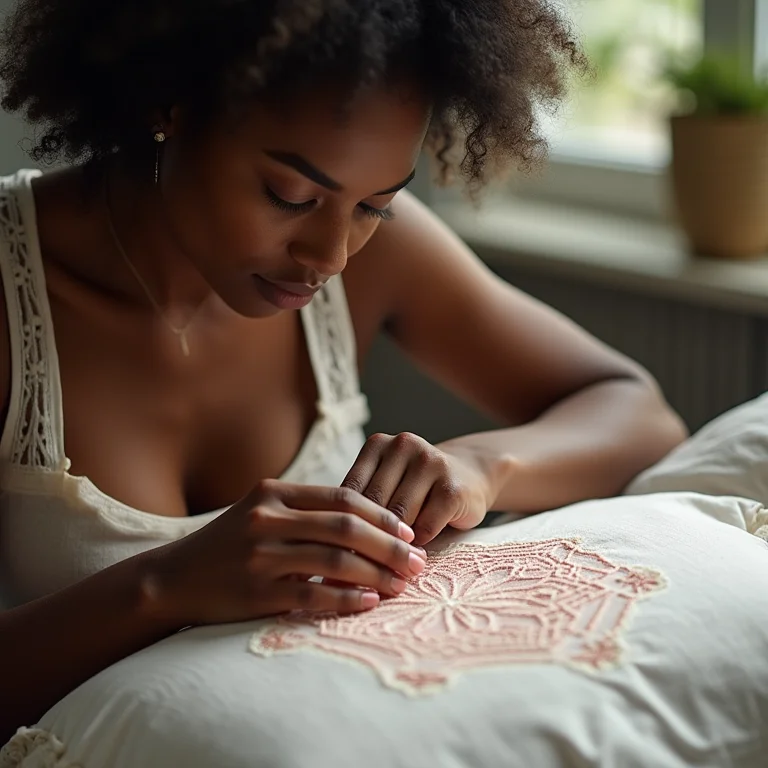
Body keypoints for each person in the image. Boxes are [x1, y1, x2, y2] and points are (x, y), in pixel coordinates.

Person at [0, 0, 687, 743]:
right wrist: (162, 585)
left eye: (375, 206)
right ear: (168, 101)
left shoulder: (376, 258)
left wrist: (481, 468)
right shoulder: (13, 293)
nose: (330, 256)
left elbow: (638, 413)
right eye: (290, 196)